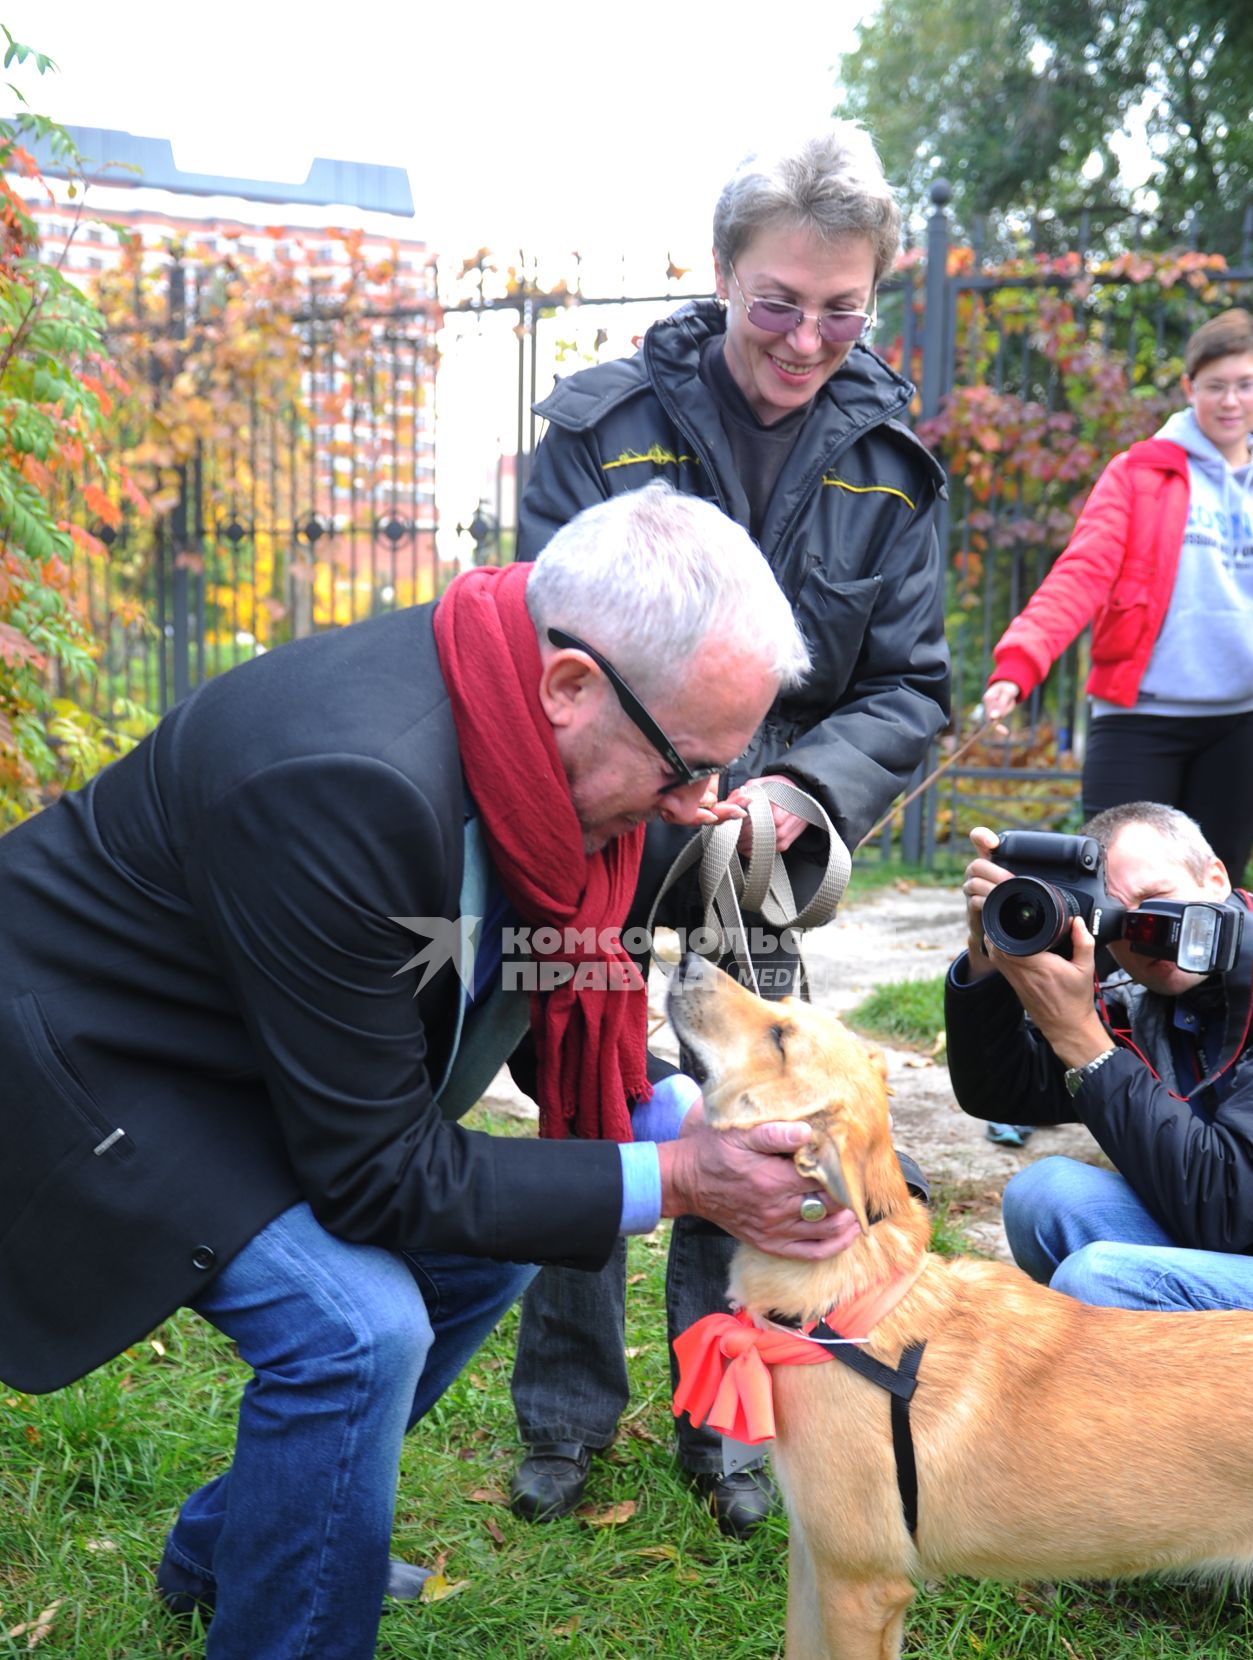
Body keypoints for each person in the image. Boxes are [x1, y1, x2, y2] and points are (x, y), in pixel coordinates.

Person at [0, 487, 870, 1660]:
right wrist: (683, 1176)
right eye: (691, 771)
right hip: (94, 1054)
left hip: (250, 1039)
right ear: (574, 685)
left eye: (729, 772)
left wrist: (690, 1067)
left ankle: (243, 1544)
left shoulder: (545, 726)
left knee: (487, 1257)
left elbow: (597, 920)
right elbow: (376, 1173)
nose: (698, 808)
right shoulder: (343, 776)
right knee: (357, 1325)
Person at [507, 126, 950, 1539]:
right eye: (779, 300)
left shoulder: (892, 466)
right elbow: (535, 640)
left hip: (760, 840)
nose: (807, 336)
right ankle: (568, 1416)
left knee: (749, 1116)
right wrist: (646, 772)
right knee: (586, 1092)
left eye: (843, 308)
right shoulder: (599, 429)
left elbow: (909, 686)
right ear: (721, 274)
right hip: (603, 819)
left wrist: (799, 792)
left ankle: (725, 1411)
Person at [983, 308, 1253, 890]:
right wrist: (1018, 665)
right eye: (1214, 386)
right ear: (1189, 387)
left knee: (1213, 898)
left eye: (1246, 385)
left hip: (1245, 722)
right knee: (1105, 893)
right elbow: (1081, 573)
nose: (1230, 401)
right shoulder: (1138, 473)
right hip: (1138, 718)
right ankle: (1098, 987)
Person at [944, 802, 1253, 1310]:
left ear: (1215, 878)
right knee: (1043, 1193)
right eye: (1122, 922)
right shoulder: (1144, 997)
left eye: (1157, 900)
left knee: (1099, 1279)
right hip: (1247, 1242)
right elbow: (1001, 1089)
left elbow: (1233, 1202)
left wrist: (1080, 1036)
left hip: (1241, 1222)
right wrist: (988, 960)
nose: (1150, 935)